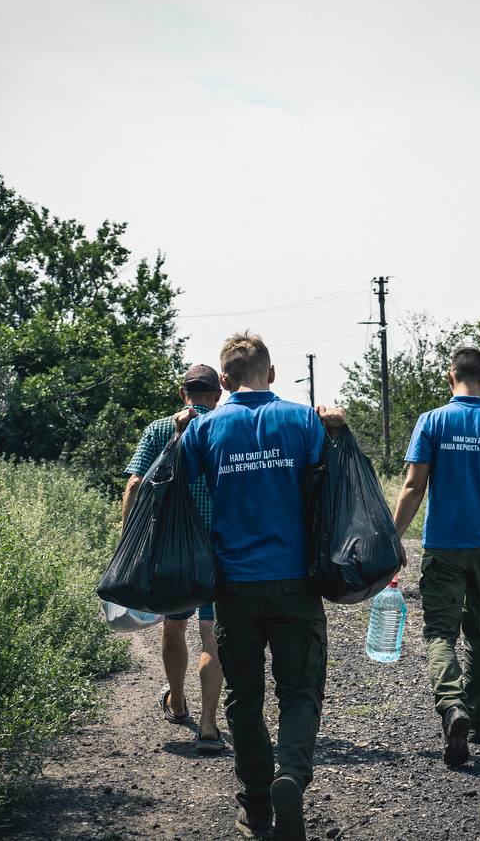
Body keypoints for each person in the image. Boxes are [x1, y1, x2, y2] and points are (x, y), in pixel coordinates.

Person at [181, 332, 344, 841]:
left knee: (244, 699)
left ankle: (255, 808)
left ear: (224, 381)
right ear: (271, 374)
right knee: (300, 692)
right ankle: (291, 776)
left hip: (234, 589)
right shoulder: (301, 420)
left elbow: (181, 492)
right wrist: (336, 425)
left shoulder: (205, 429)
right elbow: (329, 477)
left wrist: (184, 428)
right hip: (295, 582)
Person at [391, 345, 480, 767]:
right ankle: (478, 719)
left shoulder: (432, 422)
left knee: (440, 633)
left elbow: (414, 486)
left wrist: (393, 536)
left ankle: (451, 704)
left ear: (449, 376)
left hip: (444, 546)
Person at [123, 363, 226, 754]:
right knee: (210, 636)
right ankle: (210, 726)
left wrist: (128, 542)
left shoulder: (159, 429)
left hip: (171, 550)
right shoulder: (226, 427)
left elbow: (135, 483)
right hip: (216, 548)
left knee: (173, 626)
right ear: (217, 395)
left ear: (182, 393)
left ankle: (179, 703)